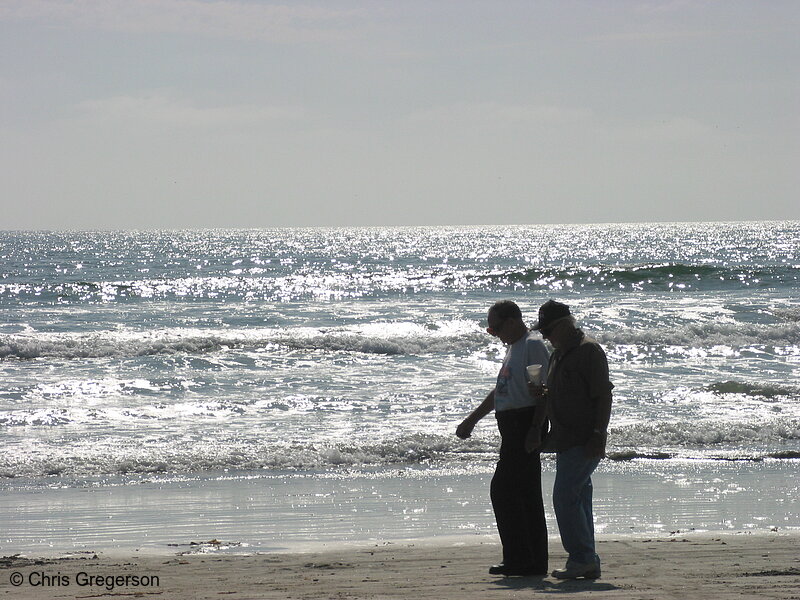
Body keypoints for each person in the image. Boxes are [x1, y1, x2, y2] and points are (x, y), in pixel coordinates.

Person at [455, 300, 550, 577]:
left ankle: (522, 559)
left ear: (512, 321)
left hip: (525, 423)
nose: (494, 333)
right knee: (522, 493)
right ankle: (528, 561)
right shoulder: (515, 348)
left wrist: (535, 428)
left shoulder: (532, 344)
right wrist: (472, 419)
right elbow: (500, 392)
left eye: (495, 327)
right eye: (490, 329)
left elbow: (543, 391)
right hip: (512, 424)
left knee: (506, 490)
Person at [530, 299, 613, 580]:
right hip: (565, 439)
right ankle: (587, 559)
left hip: (584, 438)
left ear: (564, 325)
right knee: (577, 499)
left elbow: (603, 395)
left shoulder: (588, 351)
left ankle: (582, 557)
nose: (545, 337)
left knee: (564, 497)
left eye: (548, 331)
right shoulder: (558, 354)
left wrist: (599, 434)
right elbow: (553, 394)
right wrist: (540, 394)